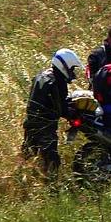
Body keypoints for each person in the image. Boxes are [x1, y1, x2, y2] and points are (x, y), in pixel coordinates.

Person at [22, 48, 83, 177]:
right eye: (71, 69)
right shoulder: (57, 82)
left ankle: (22, 180)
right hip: (45, 125)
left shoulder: (41, 75)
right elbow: (60, 108)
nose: (72, 72)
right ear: (64, 65)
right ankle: (50, 186)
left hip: (31, 121)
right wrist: (74, 114)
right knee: (51, 160)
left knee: (28, 154)